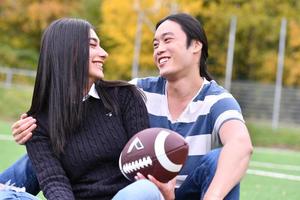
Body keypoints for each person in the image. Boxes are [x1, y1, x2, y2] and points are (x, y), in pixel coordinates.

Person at [3, 13, 253, 200]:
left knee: (220, 159)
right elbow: (79, 96)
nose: (159, 49)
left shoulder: (217, 99)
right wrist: (29, 127)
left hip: (166, 191)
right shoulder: (138, 89)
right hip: (127, 189)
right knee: (37, 154)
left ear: (196, 45)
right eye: (155, 44)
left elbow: (240, 145)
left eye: (167, 40)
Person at [0, 18, 164, 200]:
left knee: (144, 189)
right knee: (5, 195)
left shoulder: (125, 96)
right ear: (69, 51)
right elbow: (54, 181)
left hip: (126, 196)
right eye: (93, 45)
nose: (104, 53)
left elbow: (144, 168)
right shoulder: (38, 122)